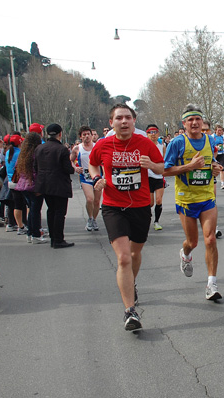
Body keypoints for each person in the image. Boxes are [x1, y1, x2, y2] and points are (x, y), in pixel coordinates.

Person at [89, 104, 164, 331]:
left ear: (134, 120)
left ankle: (131, 283)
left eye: (128, 118)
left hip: (140, 206)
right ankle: (130, 311)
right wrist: (96, 179)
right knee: (123, 258)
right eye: (119, 118)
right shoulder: (102, 145)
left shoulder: (146, 143)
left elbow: (161, 168)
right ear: (111, 122)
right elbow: (93, 163)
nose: (124, 121)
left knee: (135, 253)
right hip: (113, 206)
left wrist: (151, 165)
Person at [163, 104, 224, 301]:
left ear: (202, 122)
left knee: (210, 239)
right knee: (193, 242)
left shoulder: (210, 139)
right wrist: (189, 166)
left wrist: (215, 168)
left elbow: (211, 161)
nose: (195, 122)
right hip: (186, 199)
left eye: (197, 119)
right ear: (184, 123)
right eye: (190, 120)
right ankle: (186, 254)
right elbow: (166, 170)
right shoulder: (177, 143)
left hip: (207, 197)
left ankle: (212, 284)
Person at [34, 124, 75, 249]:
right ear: (60, 134)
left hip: (44, 185)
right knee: (59, 213)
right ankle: (58, 239)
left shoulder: (39, 148)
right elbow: (68, 169)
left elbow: (36, 167)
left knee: (50, 210)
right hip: (59, 185)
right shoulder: (62, 149)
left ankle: (53, 238)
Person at [16, 133, 48, 244]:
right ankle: (35, 234)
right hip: (34, 186)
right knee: (35, 211)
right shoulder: (36, 154)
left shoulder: (23, 154)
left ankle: (30, 233)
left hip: (23, 185)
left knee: (31, 210)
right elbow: (38, 171)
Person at [70, 126, 101, 231]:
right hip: (85, 176)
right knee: (89, 199)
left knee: (96, 201)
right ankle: (90, 218)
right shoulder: (77, 148)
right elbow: (70, 160)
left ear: (92, 136)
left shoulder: (97, 146)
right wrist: (75, 168)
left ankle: (94, 220)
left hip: (97, 176)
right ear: (81, 137)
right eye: (84, 135)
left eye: (88, 134)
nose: (87, 136)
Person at [146, 124, 166, 230]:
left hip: (159, 177)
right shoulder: (144, 146)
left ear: (158, 133)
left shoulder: (161, 146)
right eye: (150, 132)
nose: (153, 135)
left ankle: (156, 221)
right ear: (147, 134)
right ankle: (147, 219)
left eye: (155, 132)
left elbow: (164, 160)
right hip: (148, 176)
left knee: (159, 200)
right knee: (150, 203)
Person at [212, 124, 224, 189]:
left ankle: (223, 183)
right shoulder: (212, 137)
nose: (220, 132)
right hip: (215, 154)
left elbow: (223, 144)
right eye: (218, 130)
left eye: (221, 130)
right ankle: (213, 179)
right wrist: (216, 147)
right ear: (215, 130)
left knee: (222, 168)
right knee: (214, 168)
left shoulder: (222, 137)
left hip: (221, 154)